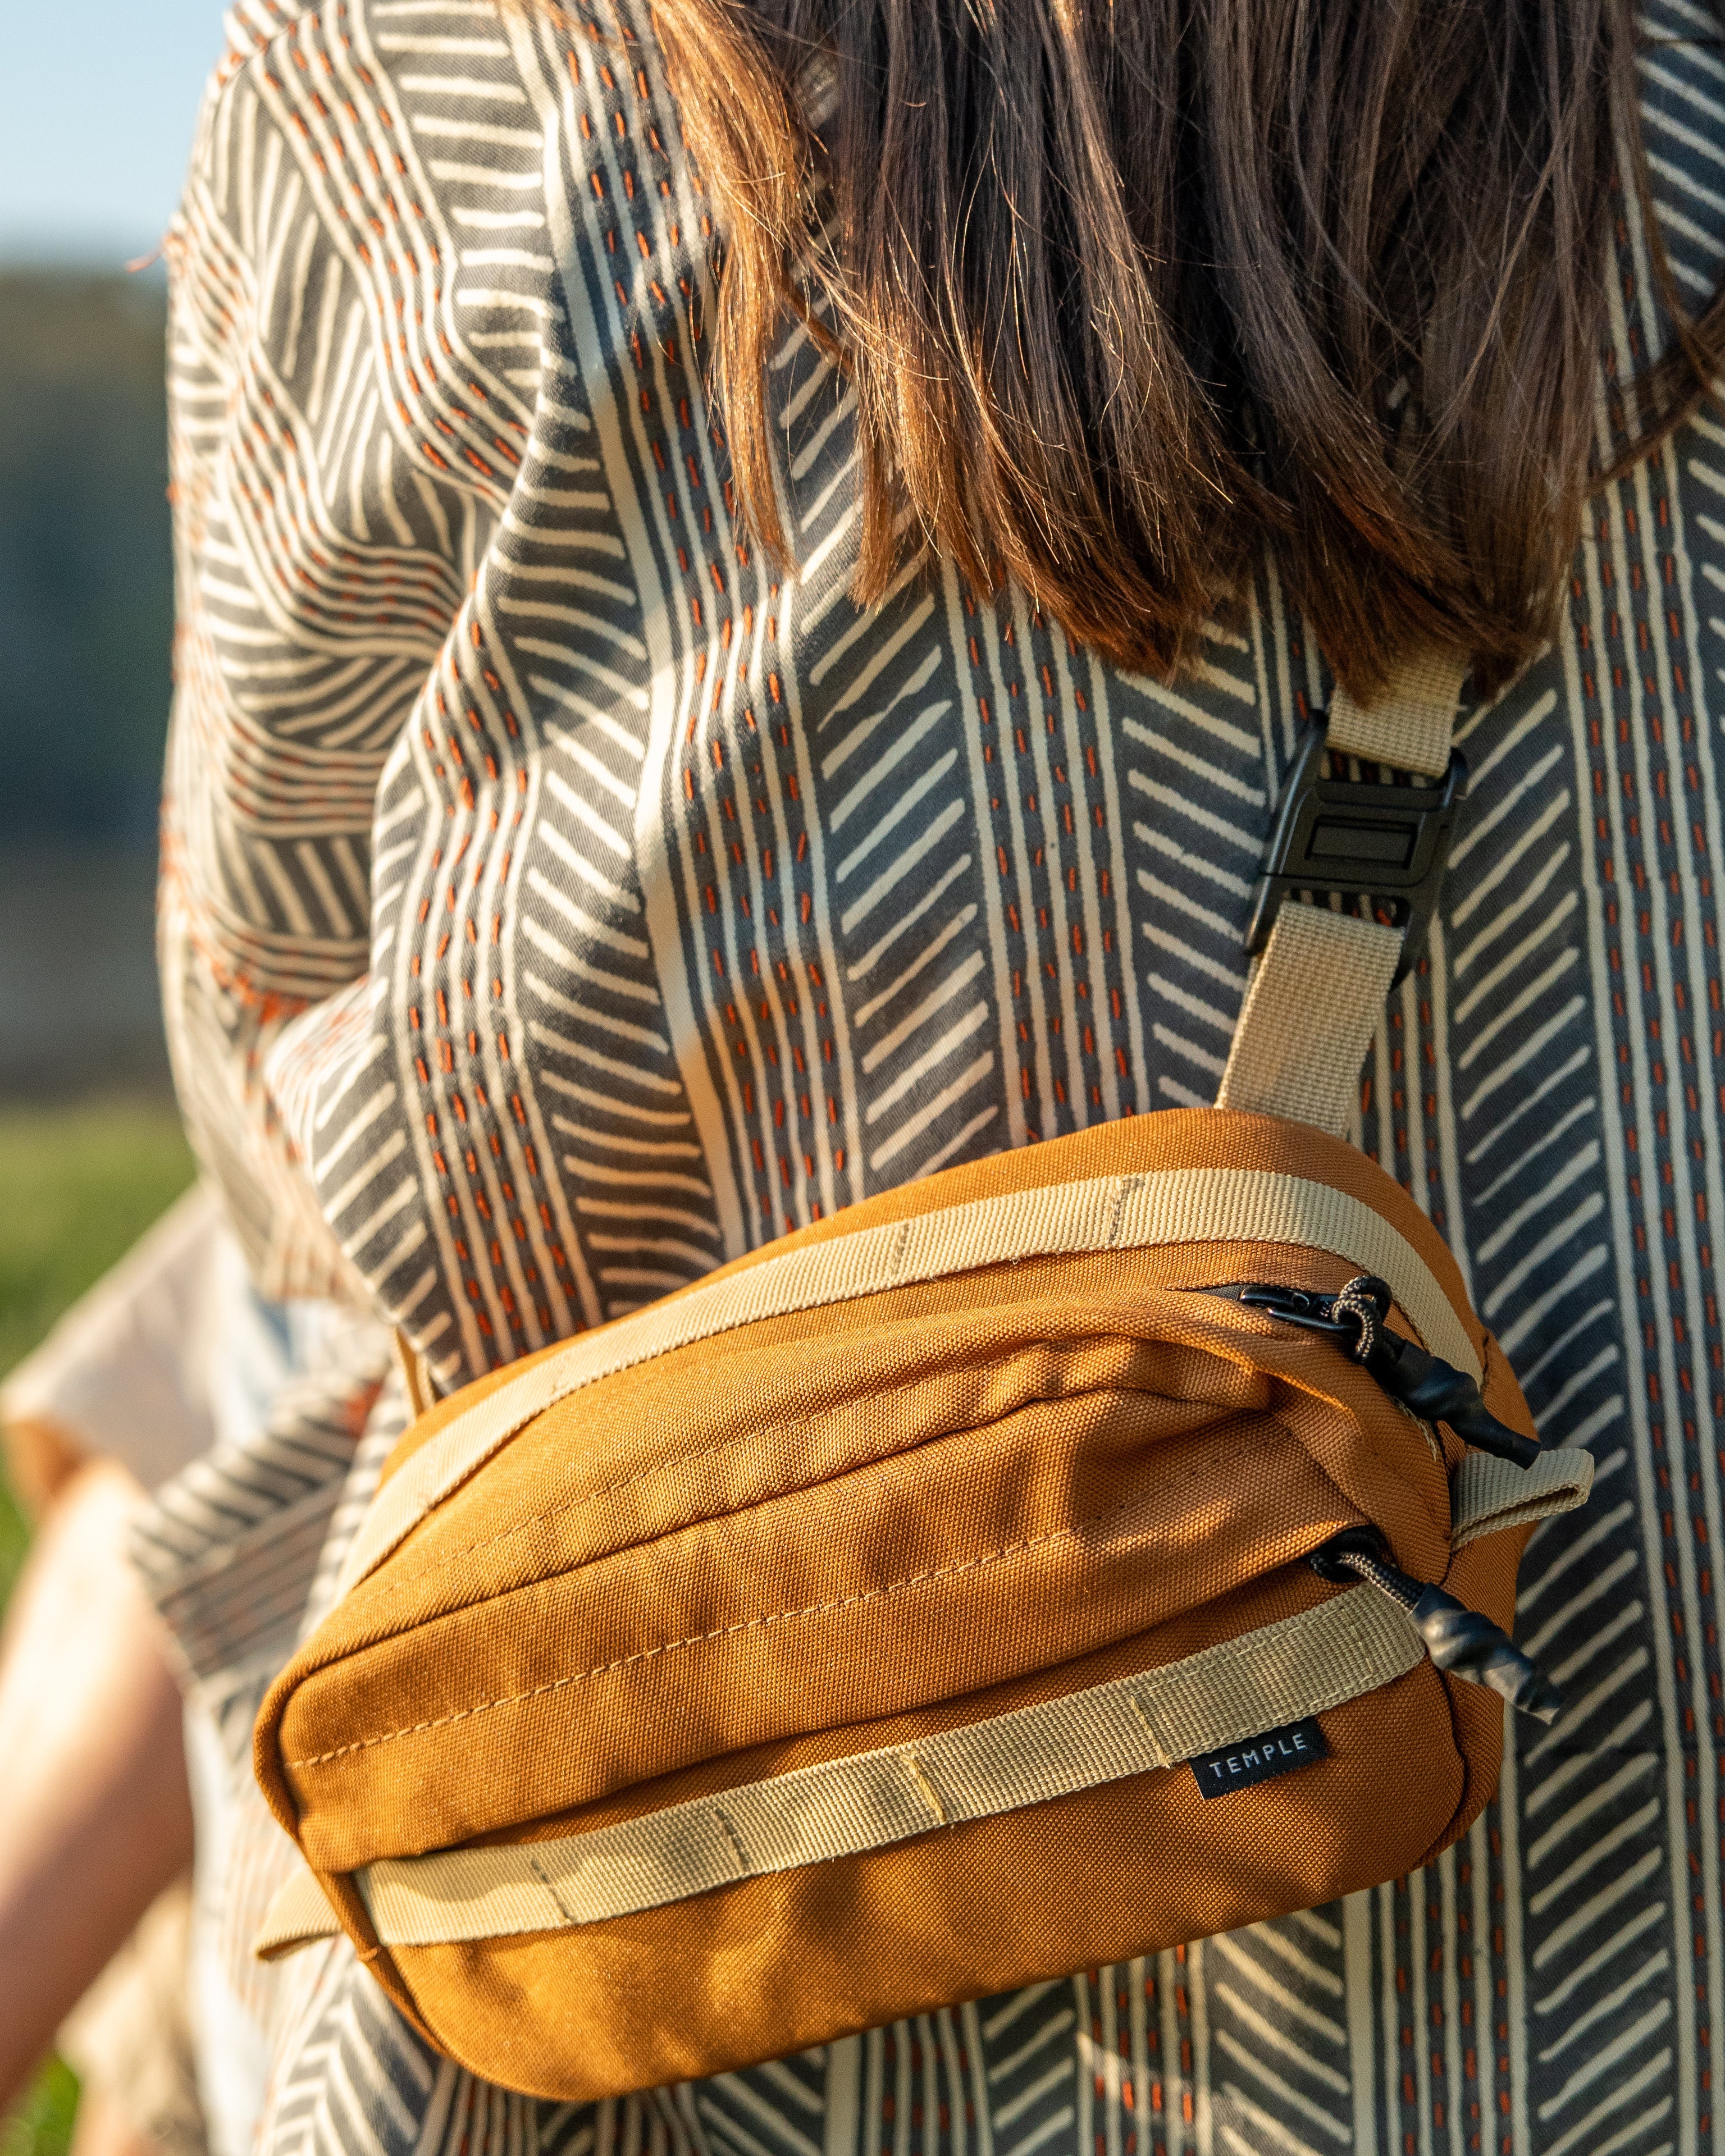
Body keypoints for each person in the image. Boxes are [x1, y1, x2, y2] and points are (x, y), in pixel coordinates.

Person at [12, 0, 1723, 2147]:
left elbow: (263, 1065)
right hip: (1645, 1994)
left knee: (247, 1310)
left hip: (647, 2025)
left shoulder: (408, 68)